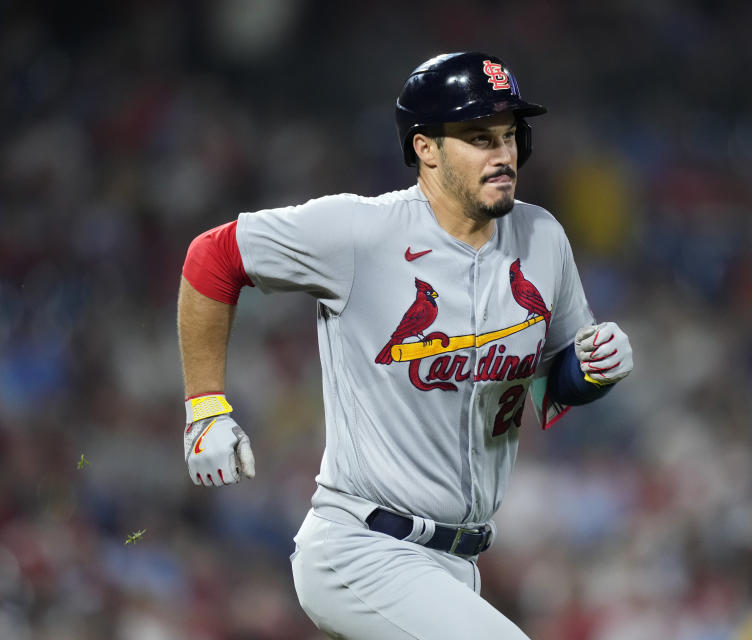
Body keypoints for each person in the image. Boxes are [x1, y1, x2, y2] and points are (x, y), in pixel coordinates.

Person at [177, 51, 634, 639]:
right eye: (477, 136)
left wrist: (591, 370)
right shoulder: (362, 232)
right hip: (361, 548)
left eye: (509, 134)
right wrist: (205, 407)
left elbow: (546, 381)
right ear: (426, 148)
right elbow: (212, 257)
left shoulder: (542, 236)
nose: (502, 154)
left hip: (456, 565)